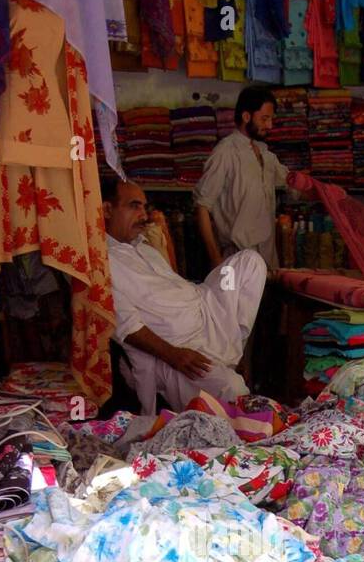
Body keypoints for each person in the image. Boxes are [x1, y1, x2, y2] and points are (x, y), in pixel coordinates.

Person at [102, 175, 267, 415]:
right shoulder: (102, 262)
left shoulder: (145, 248)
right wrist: (175, 356)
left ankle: (231, 348)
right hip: (176, 347)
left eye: (144, 207)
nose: (144, 215)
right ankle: (223, 361)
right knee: (233, 391)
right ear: (107, 209)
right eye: (134, 206)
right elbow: (126, 326)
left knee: (249, 263)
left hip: (209, 307)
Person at [193, 85, 300, 269]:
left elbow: (293, 184)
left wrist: (328, 193)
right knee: (234, 298)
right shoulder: (225, 153)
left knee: (266, 298)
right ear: (246, 117)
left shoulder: (266, 155)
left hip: (267, 258)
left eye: (271, 119)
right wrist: (215, 258)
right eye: (264, 119)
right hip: (235, 259)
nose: (270, 125)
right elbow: (202, 206)